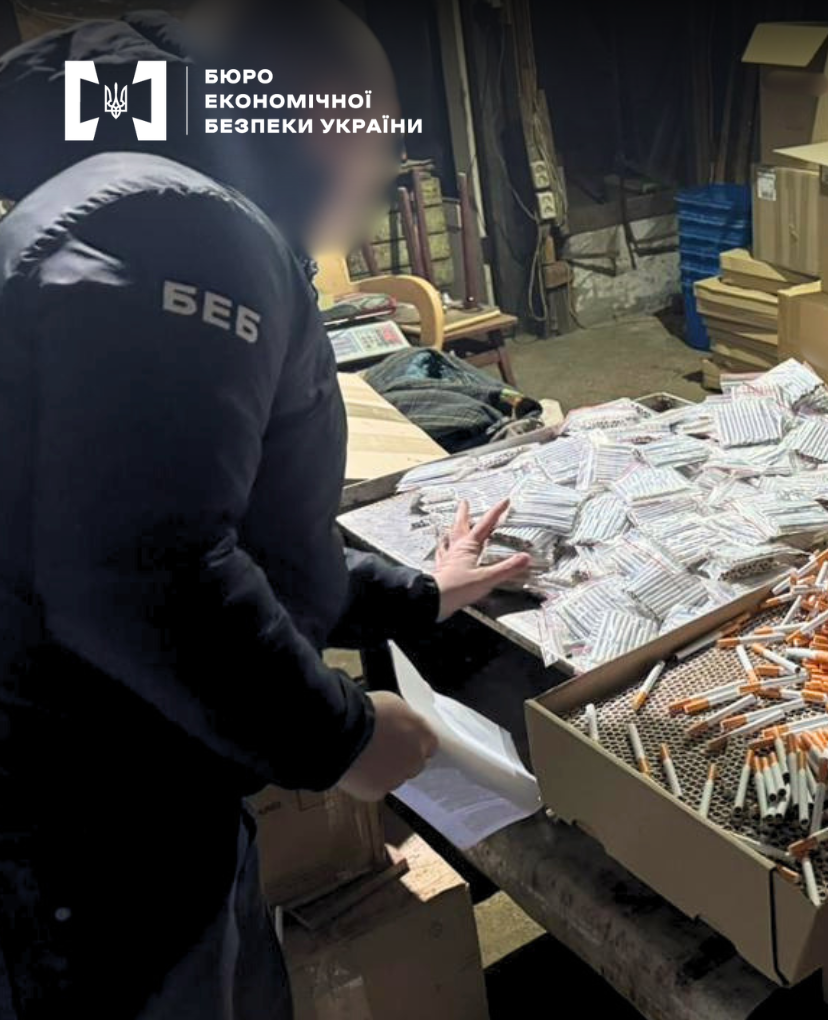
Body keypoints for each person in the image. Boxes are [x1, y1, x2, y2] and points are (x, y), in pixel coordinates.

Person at [0, 3, 528, 1017]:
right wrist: (342, 737)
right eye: (377, 135)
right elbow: (143, 567)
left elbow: (220, 518)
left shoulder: (146, 206)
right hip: (89, 819)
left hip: (128, 769)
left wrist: (412, 595)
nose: (378, 177)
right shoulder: (180, 230)